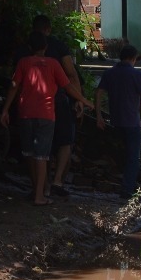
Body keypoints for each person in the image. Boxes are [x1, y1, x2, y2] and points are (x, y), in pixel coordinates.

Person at [1, 31, 93, 205]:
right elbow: (68, 87)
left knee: (28, 152)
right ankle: (40, 196)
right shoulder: (53, 64)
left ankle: (36, 189)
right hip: (46, 114)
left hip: (25, 113)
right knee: (42, 155)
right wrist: (83, 100)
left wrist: (5, 110)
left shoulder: (23, 63)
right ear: (46, 47)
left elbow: (14, 87)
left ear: (29, 48)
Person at [31, 15, 81, 198]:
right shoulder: (58, 48)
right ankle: (57, 181)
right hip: (56, 101)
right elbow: (71, 75)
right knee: (65, 141)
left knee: (35, 146)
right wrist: (79, 100)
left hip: (29, 104)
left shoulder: (25, 49)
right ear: (48, 29)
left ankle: (39, 185)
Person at [95, 43, 141, 198]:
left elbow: (99, 92)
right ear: (133, 58)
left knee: (121, 152)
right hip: (132, 122)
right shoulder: (137, 75)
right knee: (133, 156)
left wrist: (99, 115)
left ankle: (128, 183)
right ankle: (127, 189)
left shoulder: (109, 73)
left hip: (115, 120)